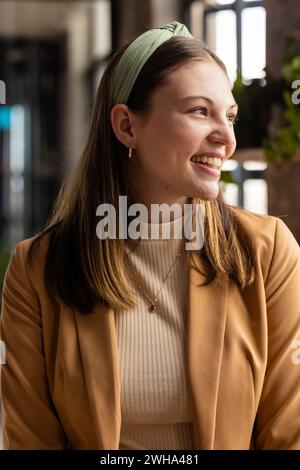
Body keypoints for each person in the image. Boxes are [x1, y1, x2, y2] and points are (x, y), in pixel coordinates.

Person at [1, 20, 300, 450]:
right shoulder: (37, 270)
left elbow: (289, 436)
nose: (226, 138)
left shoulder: (268, 253)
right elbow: (31, 442)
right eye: (200, 111)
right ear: (126, 126)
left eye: (229, 116)